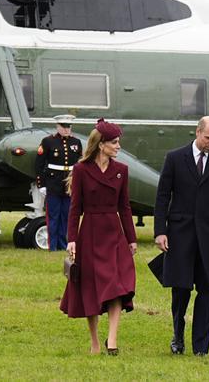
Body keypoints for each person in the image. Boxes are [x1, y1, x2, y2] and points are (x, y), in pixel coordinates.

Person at [153, 116, 209, 357]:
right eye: (208, 137)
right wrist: (160, 231)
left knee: (206, 290)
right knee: (180, 289)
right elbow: (162, 197)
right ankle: (177, 336)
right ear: (197, 133)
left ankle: (201, 346)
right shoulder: (175, 158)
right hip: (180, 235)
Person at [60, 119, 138, 355]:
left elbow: (124, 207)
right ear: (101, 144)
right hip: (90, 233)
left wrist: (131, 238)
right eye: (114, 142)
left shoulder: (121, 170)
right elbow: (75, 208)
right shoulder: (82, 170)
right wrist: (71, 239)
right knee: (90, 288)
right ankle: (95, 342)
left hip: (114, 233)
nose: (118, 146)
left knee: (117, 286)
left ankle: (112, 341)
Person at [36, 114, 81, 252]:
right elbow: (39, 164)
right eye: (64, 126)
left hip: (70, 183)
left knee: (66, 215)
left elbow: (80, 164)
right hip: (53, 182)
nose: (67, 129)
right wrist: (41, 184)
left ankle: (63, 244)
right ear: (58, 126)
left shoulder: (76, 142)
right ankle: (53, 245)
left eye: (69, 126)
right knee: (54, 215)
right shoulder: (48, 141)